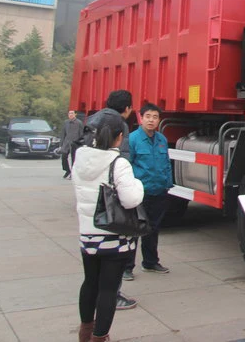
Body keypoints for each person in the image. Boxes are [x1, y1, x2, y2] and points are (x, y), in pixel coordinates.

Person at [72, 112, 143, 342]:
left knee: (90, 283)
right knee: (108, 290)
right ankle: (100, 337)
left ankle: (85, 332)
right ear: (119, 137)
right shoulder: (118, 163)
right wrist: (139, 184)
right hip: (113, 236)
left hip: (88, 234)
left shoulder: (79, 157)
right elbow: (131, 199)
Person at [84, 90, 138, 310]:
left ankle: (89, 311)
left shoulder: (92, 120)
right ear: (127, 109)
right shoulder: (119, 125)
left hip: (88, 203)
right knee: (113, 256)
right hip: (109, 200)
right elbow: (121, 160)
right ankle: (113, 297)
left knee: (91, 266)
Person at [124, 103, 172, 280]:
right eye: (148, 117)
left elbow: (166, 163)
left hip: (159, 191)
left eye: (155, 117)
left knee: (153, 229)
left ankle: (151, 262)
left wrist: (167, 184)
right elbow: (127, 165)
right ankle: (127, 267)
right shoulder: (132, 139)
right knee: (134, 231)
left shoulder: (162, 140)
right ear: (141, 118)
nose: (151, 120)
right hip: (139, 193)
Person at [60, 110, 83, 179]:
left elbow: (81, 134)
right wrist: (61, 144)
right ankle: (67, 170)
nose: (70, 115)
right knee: (63, 157)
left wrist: (80, 143)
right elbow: (63, 133)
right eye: (69, 113)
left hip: (75, 143)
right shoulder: (66, 122)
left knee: (74, 159)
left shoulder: (79, 123)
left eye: (72, 113)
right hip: (66, 142)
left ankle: (73, 173)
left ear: (75, 114)